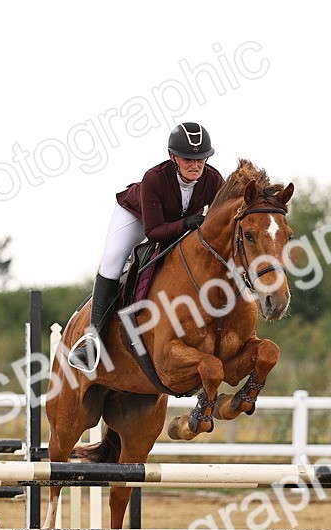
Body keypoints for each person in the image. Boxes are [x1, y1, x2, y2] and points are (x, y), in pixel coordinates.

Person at [67, 122, 225, 372]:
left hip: (178, 222)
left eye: (201, 158)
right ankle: (93, 340)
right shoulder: (154, 178)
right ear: (173, 157)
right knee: (112, 259)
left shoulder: (214, 180)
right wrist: (187, 223)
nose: (195, 165)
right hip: (138, 217)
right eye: (187, 159)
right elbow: (153, 232)